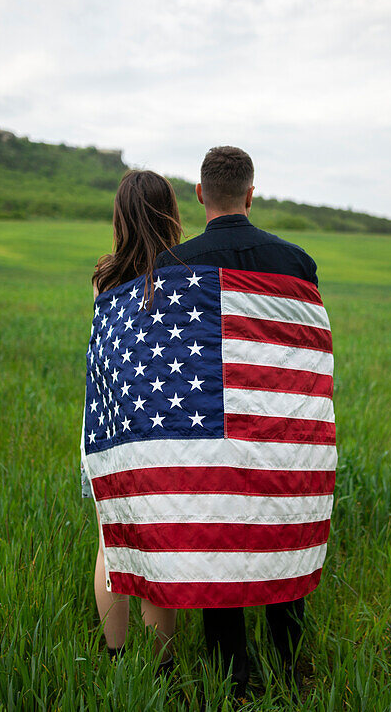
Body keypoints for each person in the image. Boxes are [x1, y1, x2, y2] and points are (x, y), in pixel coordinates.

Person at [154, 146, 321, 695]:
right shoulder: (297, 263)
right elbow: (306, 358)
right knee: (281, 540)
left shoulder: (171, 265)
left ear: (199, 195)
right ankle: (294, 671)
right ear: (252, 193)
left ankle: (237, 682)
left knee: (220, 550)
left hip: (209, 438)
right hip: (281, 434)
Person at [83, 169, 183, 669]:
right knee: (158, 549)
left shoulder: (106, 279)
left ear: (120, 217)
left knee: (111, 546)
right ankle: (163, 665)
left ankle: (117, 659)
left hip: (109, 432)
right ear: (171, 214)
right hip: (165, 436)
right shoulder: (186, 277)